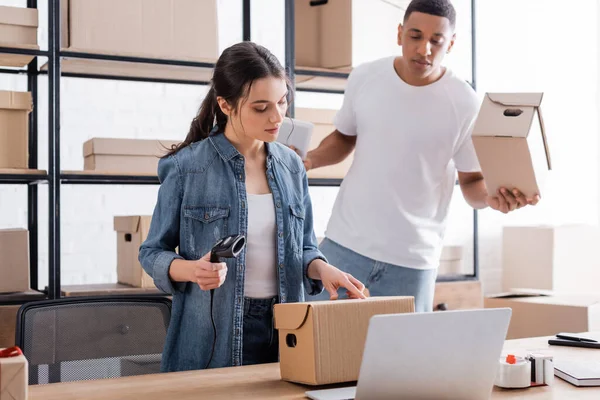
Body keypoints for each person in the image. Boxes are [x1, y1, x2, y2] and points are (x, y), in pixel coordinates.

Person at [138, 41, 366, 373]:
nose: (277, 117)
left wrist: (322, 269)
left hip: (287, 326)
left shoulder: (292, 166)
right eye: (261, 108)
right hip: (212, 335)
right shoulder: (187, 167)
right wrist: (191, 270)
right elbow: (151, 251)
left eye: (282, 102)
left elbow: (303, 247)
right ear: (225, 104)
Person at [302, 0, 539, 311]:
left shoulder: (465, 102)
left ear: (450, 44)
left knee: (405, 359)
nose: (424, 49)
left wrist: (492, 199)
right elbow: (344, 139)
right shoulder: (365, 77)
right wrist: (307, 161)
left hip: (413, 263)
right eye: (415, 36)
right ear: (400, 34)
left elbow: (472, 182)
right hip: (344, 246)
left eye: (436, 41)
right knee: (318, 349)